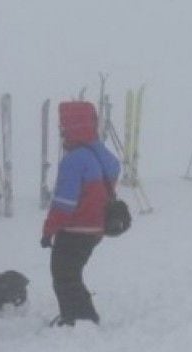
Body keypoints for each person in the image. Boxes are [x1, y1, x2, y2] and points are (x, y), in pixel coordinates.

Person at [42, 101, 119, 326]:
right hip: (97, 227)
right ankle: (81, 315)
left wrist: (49, 230)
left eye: (62, 125)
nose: (60, 131)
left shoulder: (73, 161)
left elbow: (64, 204)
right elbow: (113, 171)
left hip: (76, 228)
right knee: (73, 272)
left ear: (70, 126)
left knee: (63, 275)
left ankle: (79, 319)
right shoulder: (102, 154)